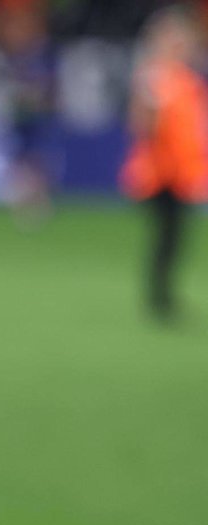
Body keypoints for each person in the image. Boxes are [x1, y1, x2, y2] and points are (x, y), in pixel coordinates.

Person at [120, 7, 208, 321]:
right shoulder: (154, 76)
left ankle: (163, 297)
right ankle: (160, 299)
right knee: (167, 236)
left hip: (182, 172)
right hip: (159, 174)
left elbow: (194, 129)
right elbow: (141, 125)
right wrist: (149, 109)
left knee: (175, 238)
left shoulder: (188, 80)